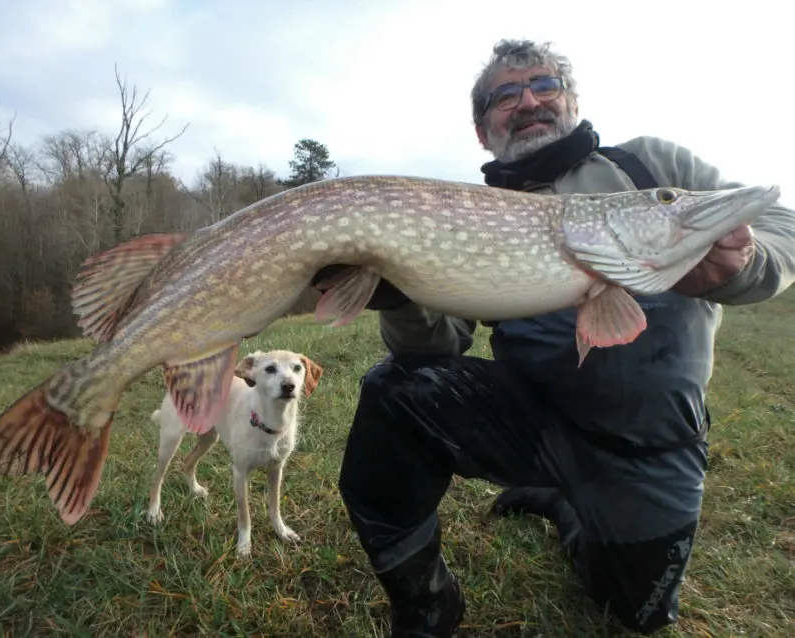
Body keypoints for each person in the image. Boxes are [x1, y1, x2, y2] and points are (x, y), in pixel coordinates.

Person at [312, 39, 795, 637]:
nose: (529, 101)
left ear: (571, 101)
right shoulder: (465, 213)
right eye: (505, 95)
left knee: (635, 614)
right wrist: (398, 297)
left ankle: (563, 507)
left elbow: (780, 223)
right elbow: (432, 353)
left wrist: (744, 264)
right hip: (533, 428)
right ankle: (426, 602)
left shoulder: (649, 167)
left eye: (544, 86)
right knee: (394, 390)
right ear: (482, 130)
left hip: (648, 446)